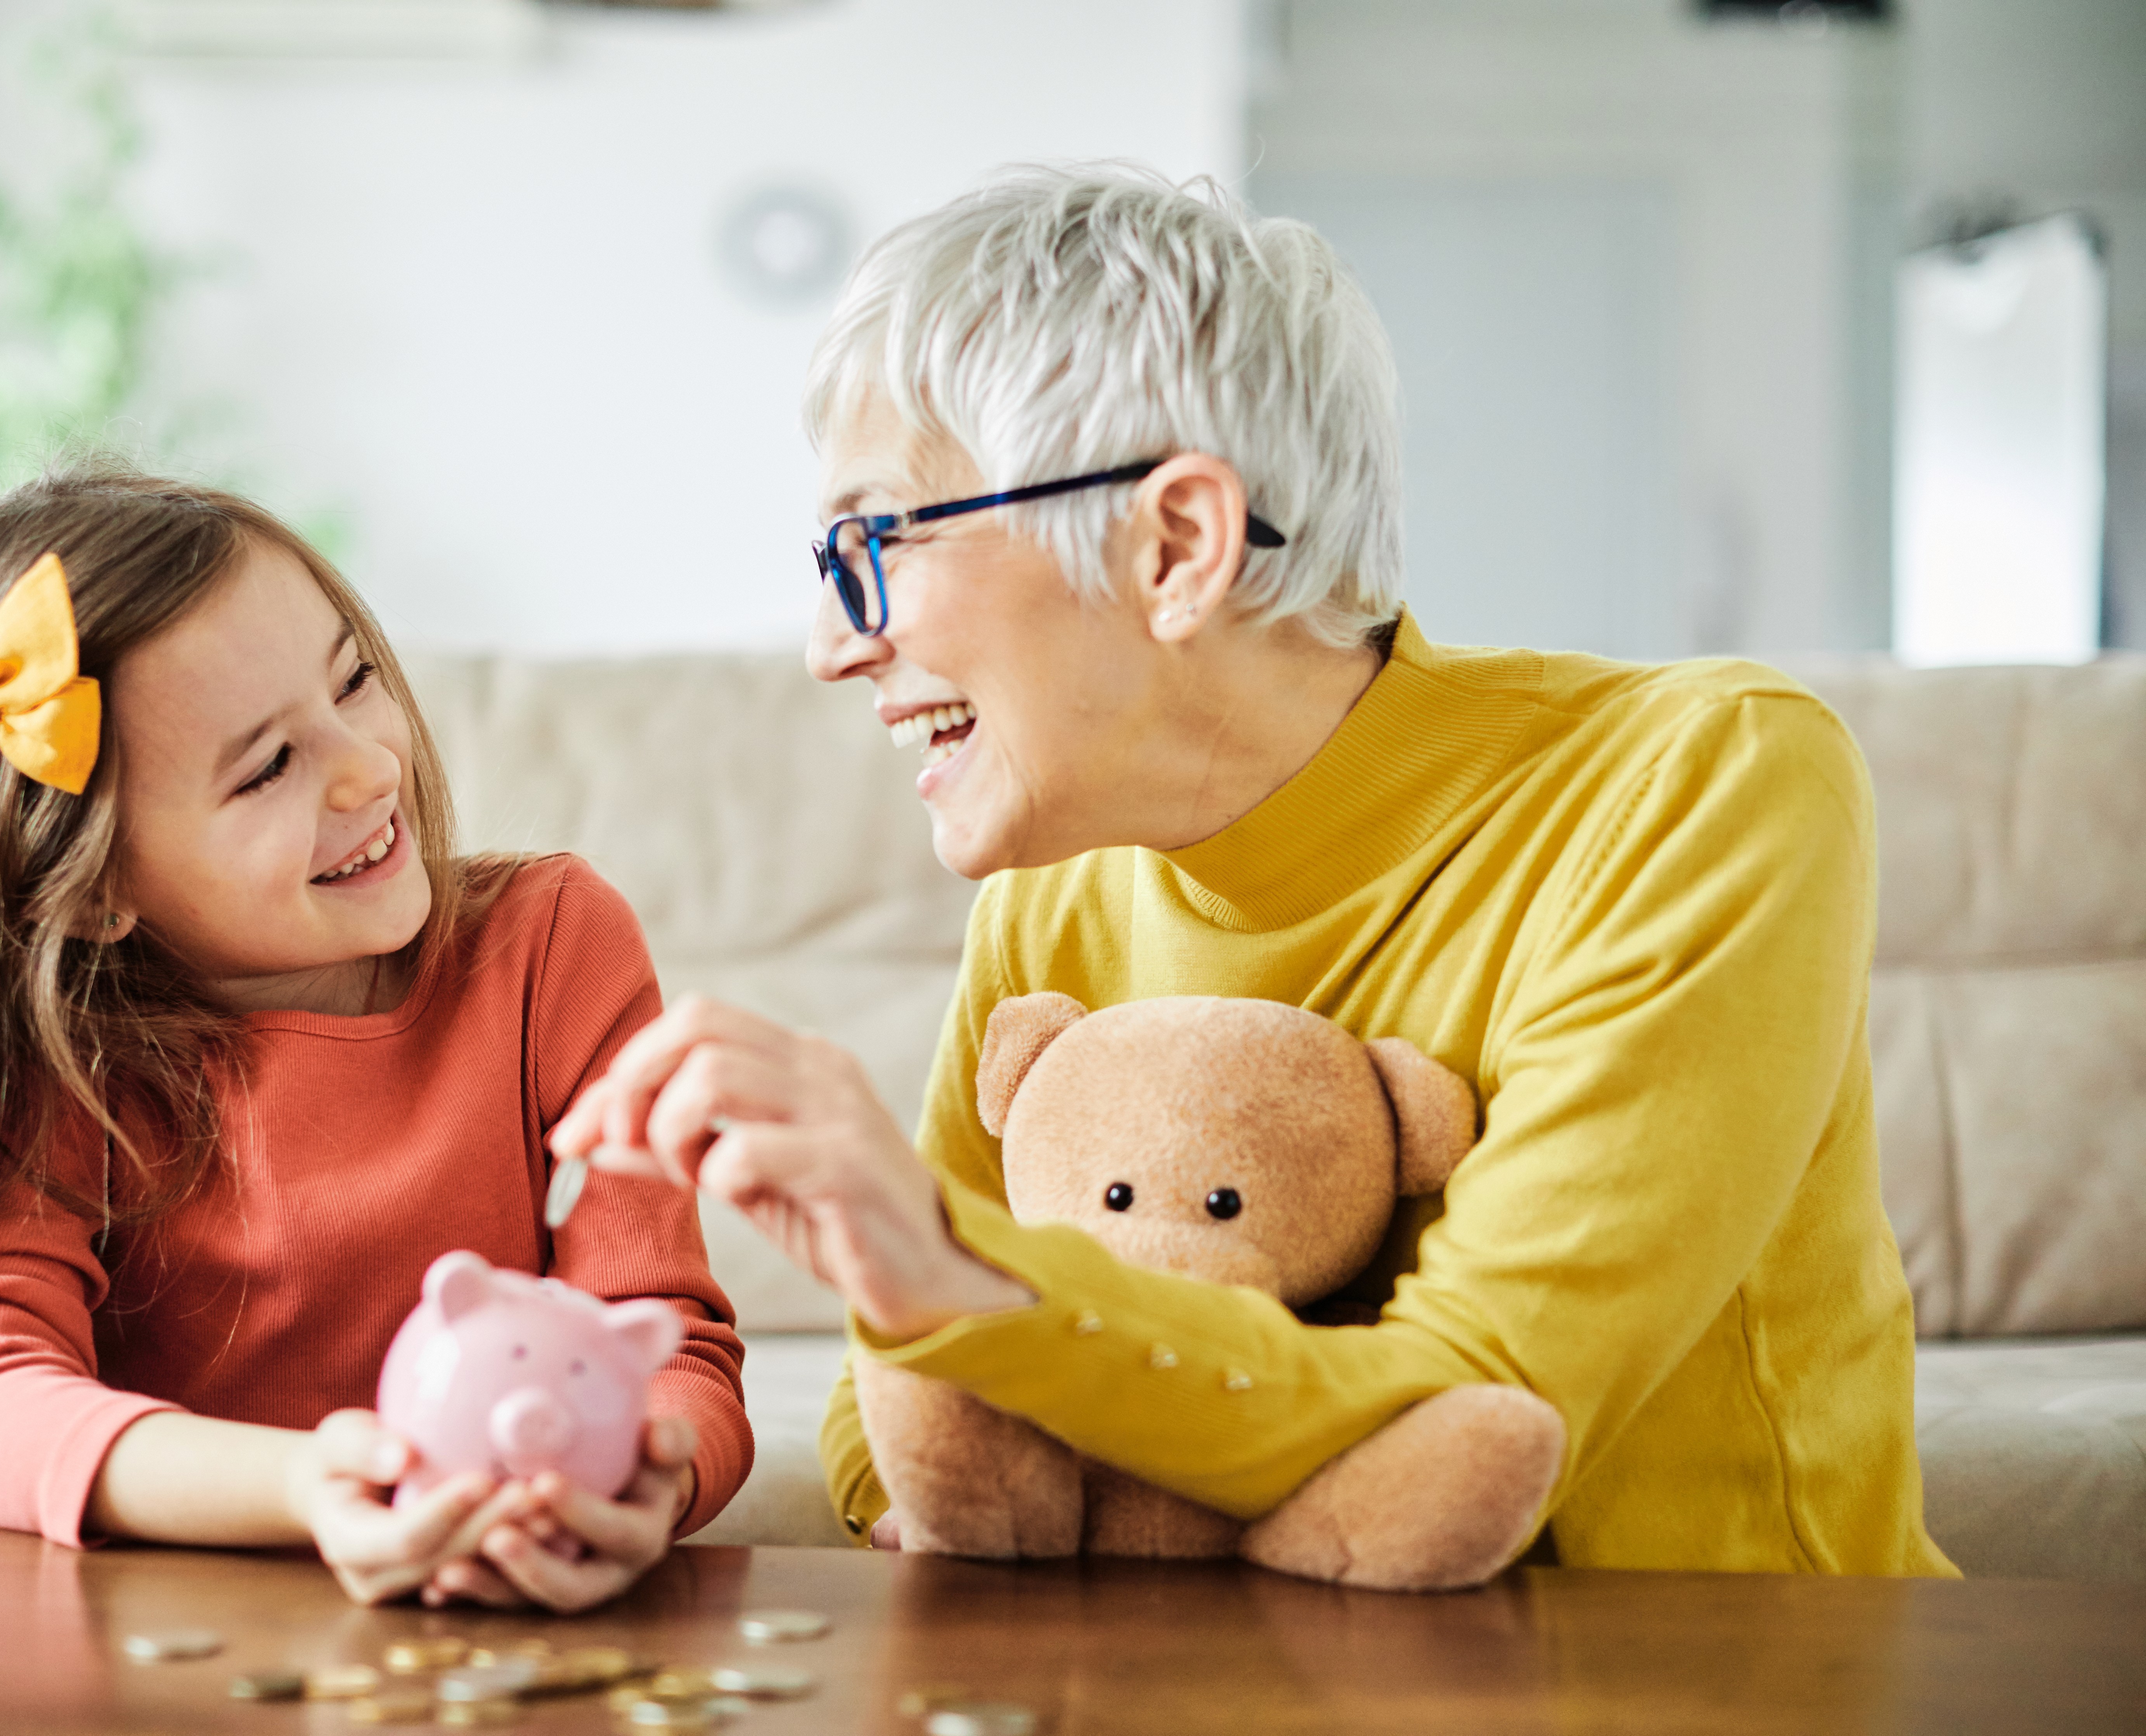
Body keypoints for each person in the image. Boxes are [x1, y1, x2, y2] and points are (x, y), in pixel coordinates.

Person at [555, 166, 1953, 1576]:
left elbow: (1478, 1407)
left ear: (1176, 544)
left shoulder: (1703, 782)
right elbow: (881, 1423)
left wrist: (957, 1282)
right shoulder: (1055, 885)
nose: (832, 643)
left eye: (875, 542)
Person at [0, 462, 750, 1609]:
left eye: (357, 679)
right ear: (89, 893)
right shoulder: (71, 1050)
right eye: (270, 767)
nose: (370, 767)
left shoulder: (553, 943)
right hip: (151, 1646)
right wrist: (311, 1488)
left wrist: (649, 1478)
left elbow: (667, 1335)